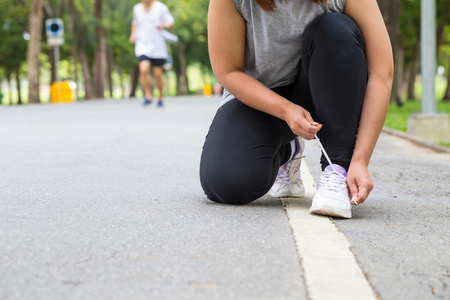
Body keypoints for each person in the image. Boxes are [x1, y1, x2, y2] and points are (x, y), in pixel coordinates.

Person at [200, 0, 393, 219]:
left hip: (323, 89)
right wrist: (285, 110)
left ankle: (337, 169)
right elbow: (228, 72)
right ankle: (287, 150)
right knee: (227, 182)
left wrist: (359, 160)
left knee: (335, 28)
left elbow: (381, 73)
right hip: (261, 96)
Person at [129, 0, 174, 107]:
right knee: (143, 69)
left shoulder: (161, 7)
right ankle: (148, 95)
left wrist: (163, 26)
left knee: (158, 74)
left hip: (157, 45)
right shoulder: (137, 8)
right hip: (142, 44)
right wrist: (133, 34)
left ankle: (160, 96)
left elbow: (170, 21)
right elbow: (135, 23)